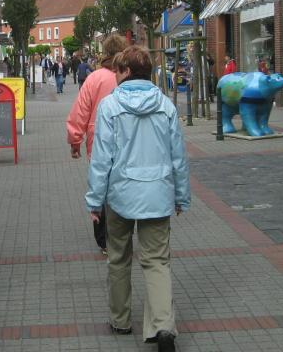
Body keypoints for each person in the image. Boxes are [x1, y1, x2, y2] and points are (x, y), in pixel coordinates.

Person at [85, 46, 190, 351]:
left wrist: (95, 201)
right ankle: (163, 326)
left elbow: (101, 160)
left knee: (118, 258)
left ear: (127, 71)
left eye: (117, 70)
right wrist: (181, 195)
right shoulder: (166, 105)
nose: (114, 75)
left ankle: (120, 320)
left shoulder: (109, 106)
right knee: (157, 261)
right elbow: (178, 157)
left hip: (120, 194)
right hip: (157, 194)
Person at [66, 34, 128, 252]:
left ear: (105, 52)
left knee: (100, 185)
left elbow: (80, 111)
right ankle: (122, 232)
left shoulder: (94, 78)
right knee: (123, 184)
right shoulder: (129, 76)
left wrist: (75, 141)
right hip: (127, 142)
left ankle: (103, 239)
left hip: (98, 140)